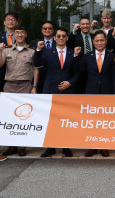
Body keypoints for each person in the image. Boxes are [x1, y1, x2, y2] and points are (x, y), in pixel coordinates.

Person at [74, 29, 115, 158]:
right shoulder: (87, 56)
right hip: (91, 92)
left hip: (107, 92)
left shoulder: (111, 56)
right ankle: (92, 146)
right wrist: (76, 57)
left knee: (105, 120)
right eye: (97, 40)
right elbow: (80, 71)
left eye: (102, 40)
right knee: (92, 120)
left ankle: (104, 146)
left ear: (105, 41)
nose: (99, 43)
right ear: (93, 42)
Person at [34, 27, 77, 158]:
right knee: (51, 120)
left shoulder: (72, 53)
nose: (61, 38)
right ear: (55, 38)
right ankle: (50, 147)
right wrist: (38, 50)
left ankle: (66, 146)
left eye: (64, 36)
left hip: (67, 90)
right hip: (50, 89)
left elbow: (78, 72)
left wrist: (70, 82)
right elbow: (37, 64)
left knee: (66, 120)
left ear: (67, 38)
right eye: (58, 36)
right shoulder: (47, 52)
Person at [0, 26, 36, 157]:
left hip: (24, 85)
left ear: (25, 34)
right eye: (17, 33)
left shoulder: (31, 51)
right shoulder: (7, 50)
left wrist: (34, 86)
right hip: (9, 86)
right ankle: (11, 146)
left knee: (24, 116)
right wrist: (0, 51)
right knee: (9, 116)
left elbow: (36, 69)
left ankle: (22, 146)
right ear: (13, 35)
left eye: (22, 33)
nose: (19, 35)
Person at [67, 16, 98, 93]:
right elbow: (68, 44)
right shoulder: (75, 36)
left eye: (87, 24)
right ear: (79, 26)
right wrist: (73, 30)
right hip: (79, 70)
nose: (85, 26)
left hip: (93, 70)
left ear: (90, 25)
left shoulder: (94, 37)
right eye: (83, 24)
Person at [32, 21, 56, 93]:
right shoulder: (36, 45)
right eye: (45, 28)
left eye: (50, 28)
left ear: (53, 30)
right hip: (40, 80)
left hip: (55, 79)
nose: (47, 30)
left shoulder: (59, 43)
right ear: (42, 30)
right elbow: (36, 63)